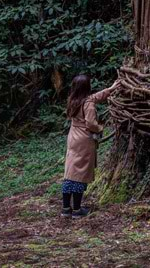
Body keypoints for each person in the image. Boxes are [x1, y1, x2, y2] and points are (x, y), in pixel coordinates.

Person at [61, 74, 121, 218]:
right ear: (87, 87)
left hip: (73, 137)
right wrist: (100, 128)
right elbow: (91, 124)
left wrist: (111, 89)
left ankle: (66, 209)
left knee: (70, 173)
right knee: (79, 174)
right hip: (84, 140)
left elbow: (95, 97)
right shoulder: (88, 103)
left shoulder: (73, 100)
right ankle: (76, 210)